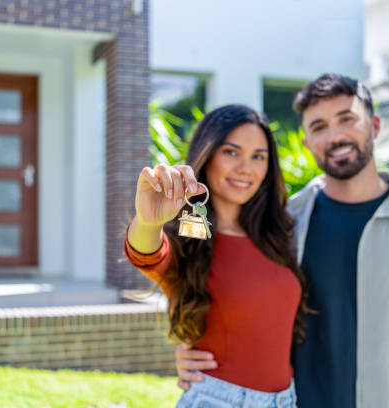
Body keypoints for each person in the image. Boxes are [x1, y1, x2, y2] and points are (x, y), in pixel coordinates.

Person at [174, 74, 389, 408]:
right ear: (307, 142)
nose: (335, 136)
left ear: (375, 126)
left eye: (347, 119)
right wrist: (193, 348)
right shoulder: (281, 224)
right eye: (318, 126)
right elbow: (228, 294)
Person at [124, 104, 309, 407]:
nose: (246, 168)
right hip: (219, 399)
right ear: (207, 154)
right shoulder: (187, 239)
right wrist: (148, 222)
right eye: (231, 152)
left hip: (285, 400)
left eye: (258, 156)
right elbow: (146, 253)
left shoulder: (277, 235)